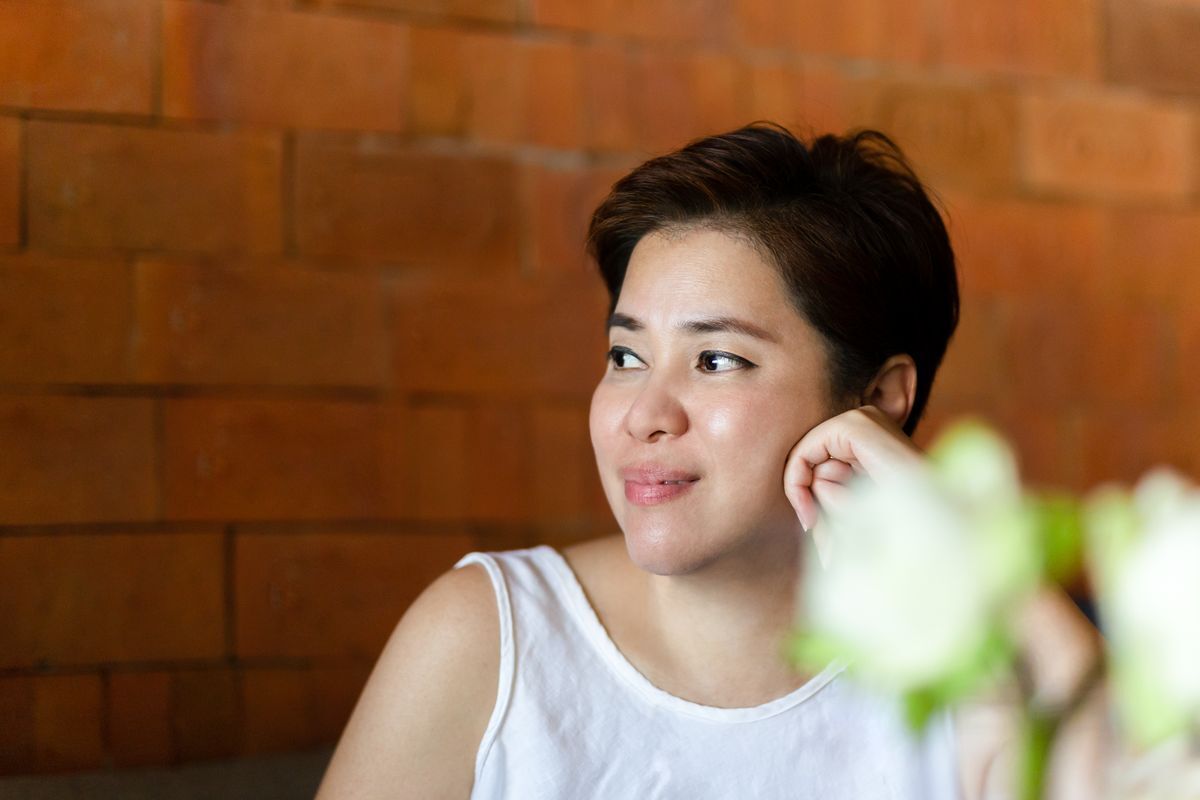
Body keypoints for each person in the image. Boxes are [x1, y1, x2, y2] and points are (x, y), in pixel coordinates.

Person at [315, 123, 1094, 799]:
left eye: (717, 359)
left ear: (880, 398)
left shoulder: (967, 680)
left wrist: (978, 562)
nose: (644, 415)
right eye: (626, 356)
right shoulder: (487, 640)